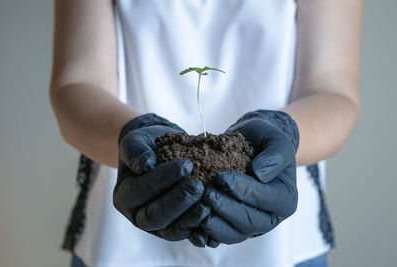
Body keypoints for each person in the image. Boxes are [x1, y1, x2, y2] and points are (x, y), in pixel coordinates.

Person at [49, 0, 362, 266]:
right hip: (123, 239)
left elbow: (332, 89)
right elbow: (77, 81)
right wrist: (132, 133)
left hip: (282, 243)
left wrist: (285, 132)